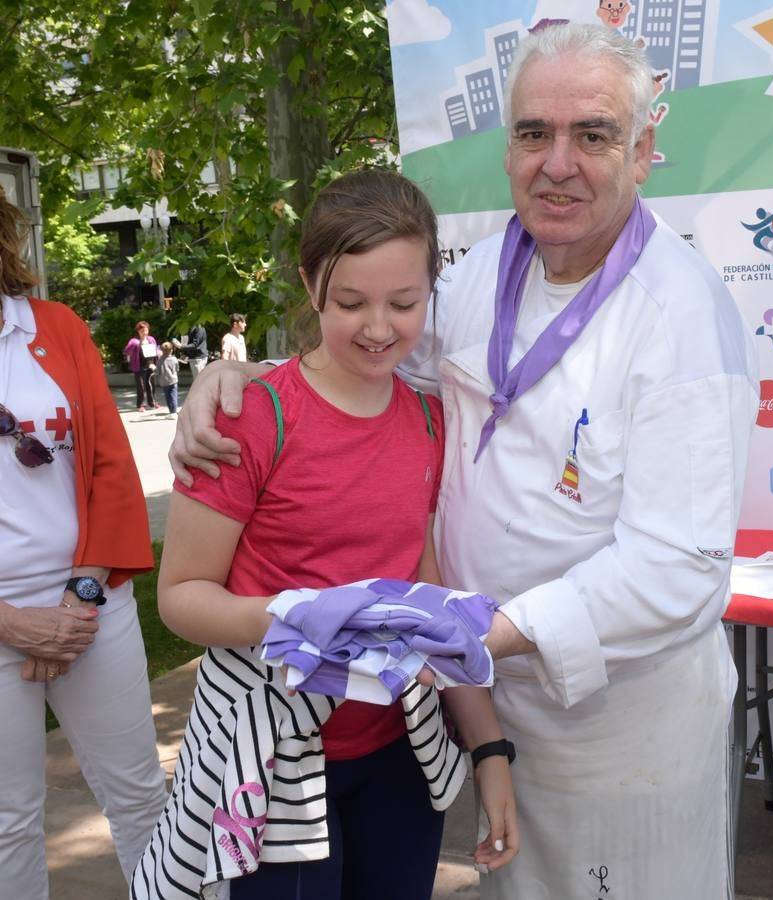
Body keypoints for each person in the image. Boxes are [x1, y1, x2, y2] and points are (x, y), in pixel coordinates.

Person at [170, 24, 759, 899]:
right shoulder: (482, 271)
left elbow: (676, 569)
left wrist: (476, 636)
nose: (556, 162)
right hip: (473, 701)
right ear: (509, 146)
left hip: (612, 724)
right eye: (532, 134)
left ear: (642, 151)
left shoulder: (681, 317)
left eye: (590, 135)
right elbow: (366, 362)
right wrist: (235, 376)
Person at [133, 169, 518, 899]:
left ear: (430, 291)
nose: (378, 328)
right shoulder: (251, 417)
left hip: (399, 750)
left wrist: (489, 747)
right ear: (310, 287)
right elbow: (180, 597)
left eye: (403, 303)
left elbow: (433, 599)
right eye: (350, 303)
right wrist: (290, 614)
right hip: (276, 761)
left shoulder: (431, 421)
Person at [0, 188, 167, 898]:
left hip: (88, 603)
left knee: (140, 799)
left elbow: (109, 468)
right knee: (7, 822)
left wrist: (80, 600)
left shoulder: (56, 327)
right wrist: (12, 623)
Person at [123, 320, 159, 411]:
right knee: (141, 387)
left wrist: (156, 362)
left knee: (151, 385)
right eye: (142, 331)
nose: (145, 333)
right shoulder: (134, 341)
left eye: (146, 330)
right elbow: (126, 351)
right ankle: (141, 405)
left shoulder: (151, 339)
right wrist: (135, 346)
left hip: (151, 365)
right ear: (138, 331)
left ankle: (152, 402)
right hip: (139, 367)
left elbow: (155, 351)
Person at [155, 340, 180, 415]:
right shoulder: (174, 359)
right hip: (173, 380)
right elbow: (177, 369)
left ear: (161, 351)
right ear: (171, 350)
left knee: (168, 397)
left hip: (164, 382)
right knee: (174, 396)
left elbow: (157, 372)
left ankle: (170, 410)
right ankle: (174, 411)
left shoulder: (159, 361)